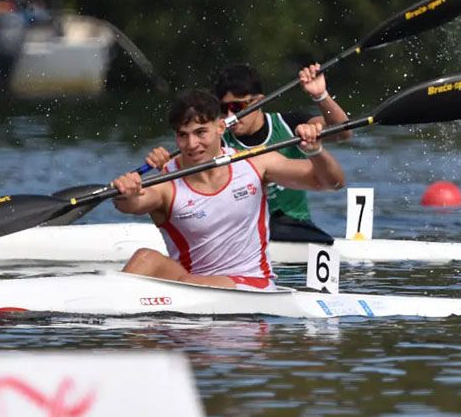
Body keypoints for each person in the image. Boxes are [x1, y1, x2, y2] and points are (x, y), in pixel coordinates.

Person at [111, 89, 345, 288]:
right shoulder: (167, 182)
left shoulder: (255, 163)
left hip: (252, 285)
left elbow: (331, 182)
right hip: (193, 283)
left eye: (201, 132)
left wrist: (315, 151)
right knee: (145, 258)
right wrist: (125, 193)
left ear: (220, 127)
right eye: (183, 136)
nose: (192, 145)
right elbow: (133, 205)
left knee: (196, 283)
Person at [213, 63, 352, 244]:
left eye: (236, 107)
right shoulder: (217, 141)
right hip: (244, 232)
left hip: (295, 226)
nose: (230, 116)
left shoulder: (291, 124)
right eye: (223, 109)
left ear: (259, 101)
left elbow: (343, 132)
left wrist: (320, 96)